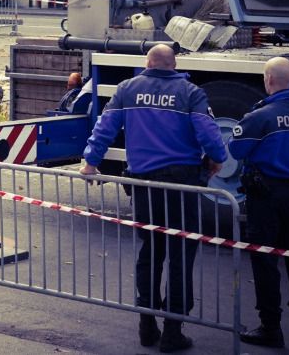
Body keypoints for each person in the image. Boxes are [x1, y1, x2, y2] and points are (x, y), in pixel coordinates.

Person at [80, 44, 226, 352]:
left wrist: (91, 161)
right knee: (181, 253)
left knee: (150, 250)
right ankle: (173, 331)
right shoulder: (190, 92)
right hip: (181, 186)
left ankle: (146, 325)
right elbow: (209, 133)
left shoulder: (127, 89)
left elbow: (104, 127)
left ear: (147, 63)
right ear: (174, 65)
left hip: (143, 184)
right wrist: (216, 159)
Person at [230, 57, 289, 347]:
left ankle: (271, 327)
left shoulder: (260, 116)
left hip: (266, 198)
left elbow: (236, 148)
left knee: (265, 261)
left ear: (268, 79)